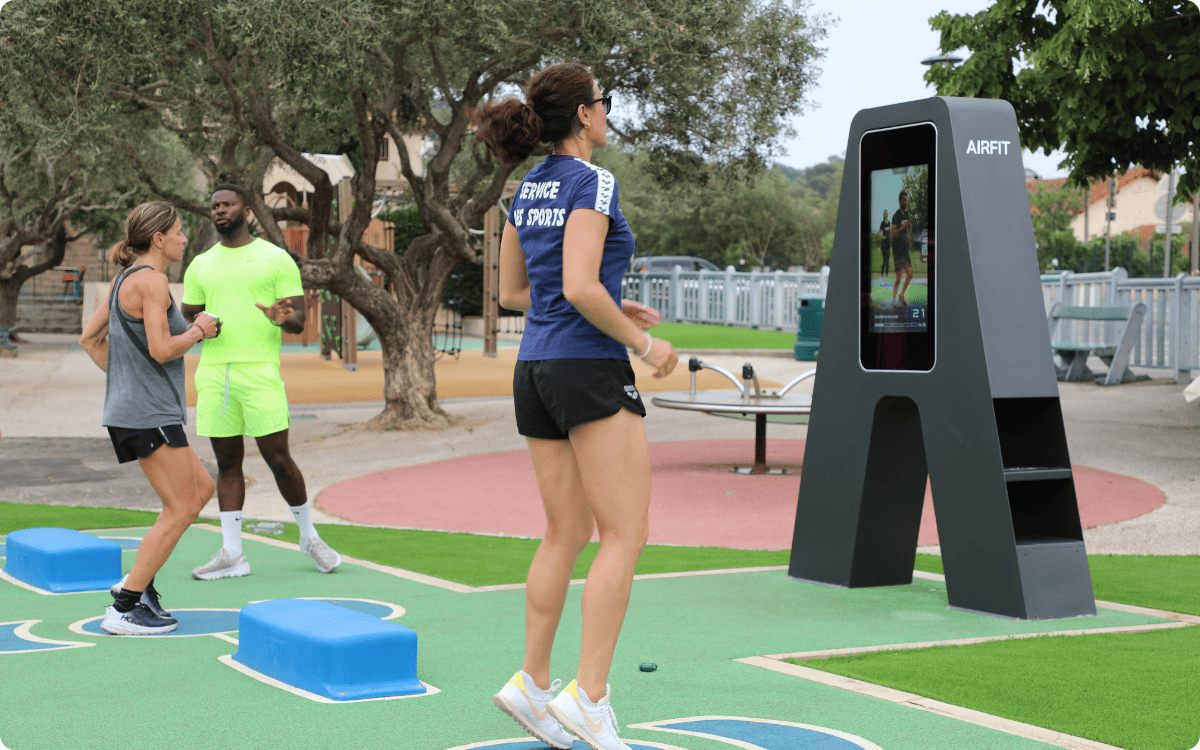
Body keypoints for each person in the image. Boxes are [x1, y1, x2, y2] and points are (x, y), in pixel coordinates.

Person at [476, 63, 678, 750]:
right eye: (604, 103)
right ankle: (588, 697)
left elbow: (515, 293)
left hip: (534, 368)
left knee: (564, 532)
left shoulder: (524, 188)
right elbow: (580, 288)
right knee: (625, 534)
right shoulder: (593, 181)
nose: (607, 113)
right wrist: (645, 344)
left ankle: (532, 684)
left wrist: (608, 303)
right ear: (585, 116)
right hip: (587, 368)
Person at [181, 184, 341, 579]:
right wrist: (203, 327)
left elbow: (300, 320)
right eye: (214, 205)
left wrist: (278, 317)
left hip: (260, 372)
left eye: (228, 204)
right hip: (215, 374)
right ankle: (232, 553)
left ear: (247, 211)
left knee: (278, 459)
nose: (219, 210)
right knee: (227, 463)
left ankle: (309, 537)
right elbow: (189, 313)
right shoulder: (200, 263)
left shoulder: (275, 259)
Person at [79, 202, 219, 634]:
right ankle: (124, 606)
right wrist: (198, 331)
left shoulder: (125, 278)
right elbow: (161, 349)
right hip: (147, 413)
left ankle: (141, 586)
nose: (183, 239)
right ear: (158, 239)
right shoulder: (154, 282)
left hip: (139, 410)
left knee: (200, 491)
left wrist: (126, 381)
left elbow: (88, 338)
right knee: (180, 508)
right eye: (178, 233)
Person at [890, 190, 914, 306]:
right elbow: (892, 233)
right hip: (897, 250)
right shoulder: (895, 216)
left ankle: (901, 295)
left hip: (904, 249)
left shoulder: (907, 214)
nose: (906, 202)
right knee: (899, 277)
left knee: (910, 273)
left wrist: (909, 234)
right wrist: (902, 228)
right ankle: (894, 299)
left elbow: (909, 226)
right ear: (900, 201)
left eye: (906, 200)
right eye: (904, 200)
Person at [878, 209, 891, 279]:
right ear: (884, 215)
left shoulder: (889, 223)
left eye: (887, 213)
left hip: (888, 244)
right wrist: (882, 237)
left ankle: (886, 277)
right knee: (885, 260)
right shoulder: (882, 223)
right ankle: (881, 277)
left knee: (888, 261)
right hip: (884, 244)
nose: (887, 214)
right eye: (886, 213)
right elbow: (879, 233)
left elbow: (890, 232)